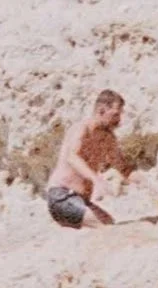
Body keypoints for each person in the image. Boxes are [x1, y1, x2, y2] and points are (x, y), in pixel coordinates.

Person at [46, 90, 127, 228]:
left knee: (110, 223)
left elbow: (124, 168)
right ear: (101, 111)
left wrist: (150, 187)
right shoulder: (81, 128)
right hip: (62, 196)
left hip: (81, 200)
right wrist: (97, 180)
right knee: (106, 228)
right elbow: (72, 157)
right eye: (115, 115)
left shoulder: (108, 138)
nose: (118, 120)